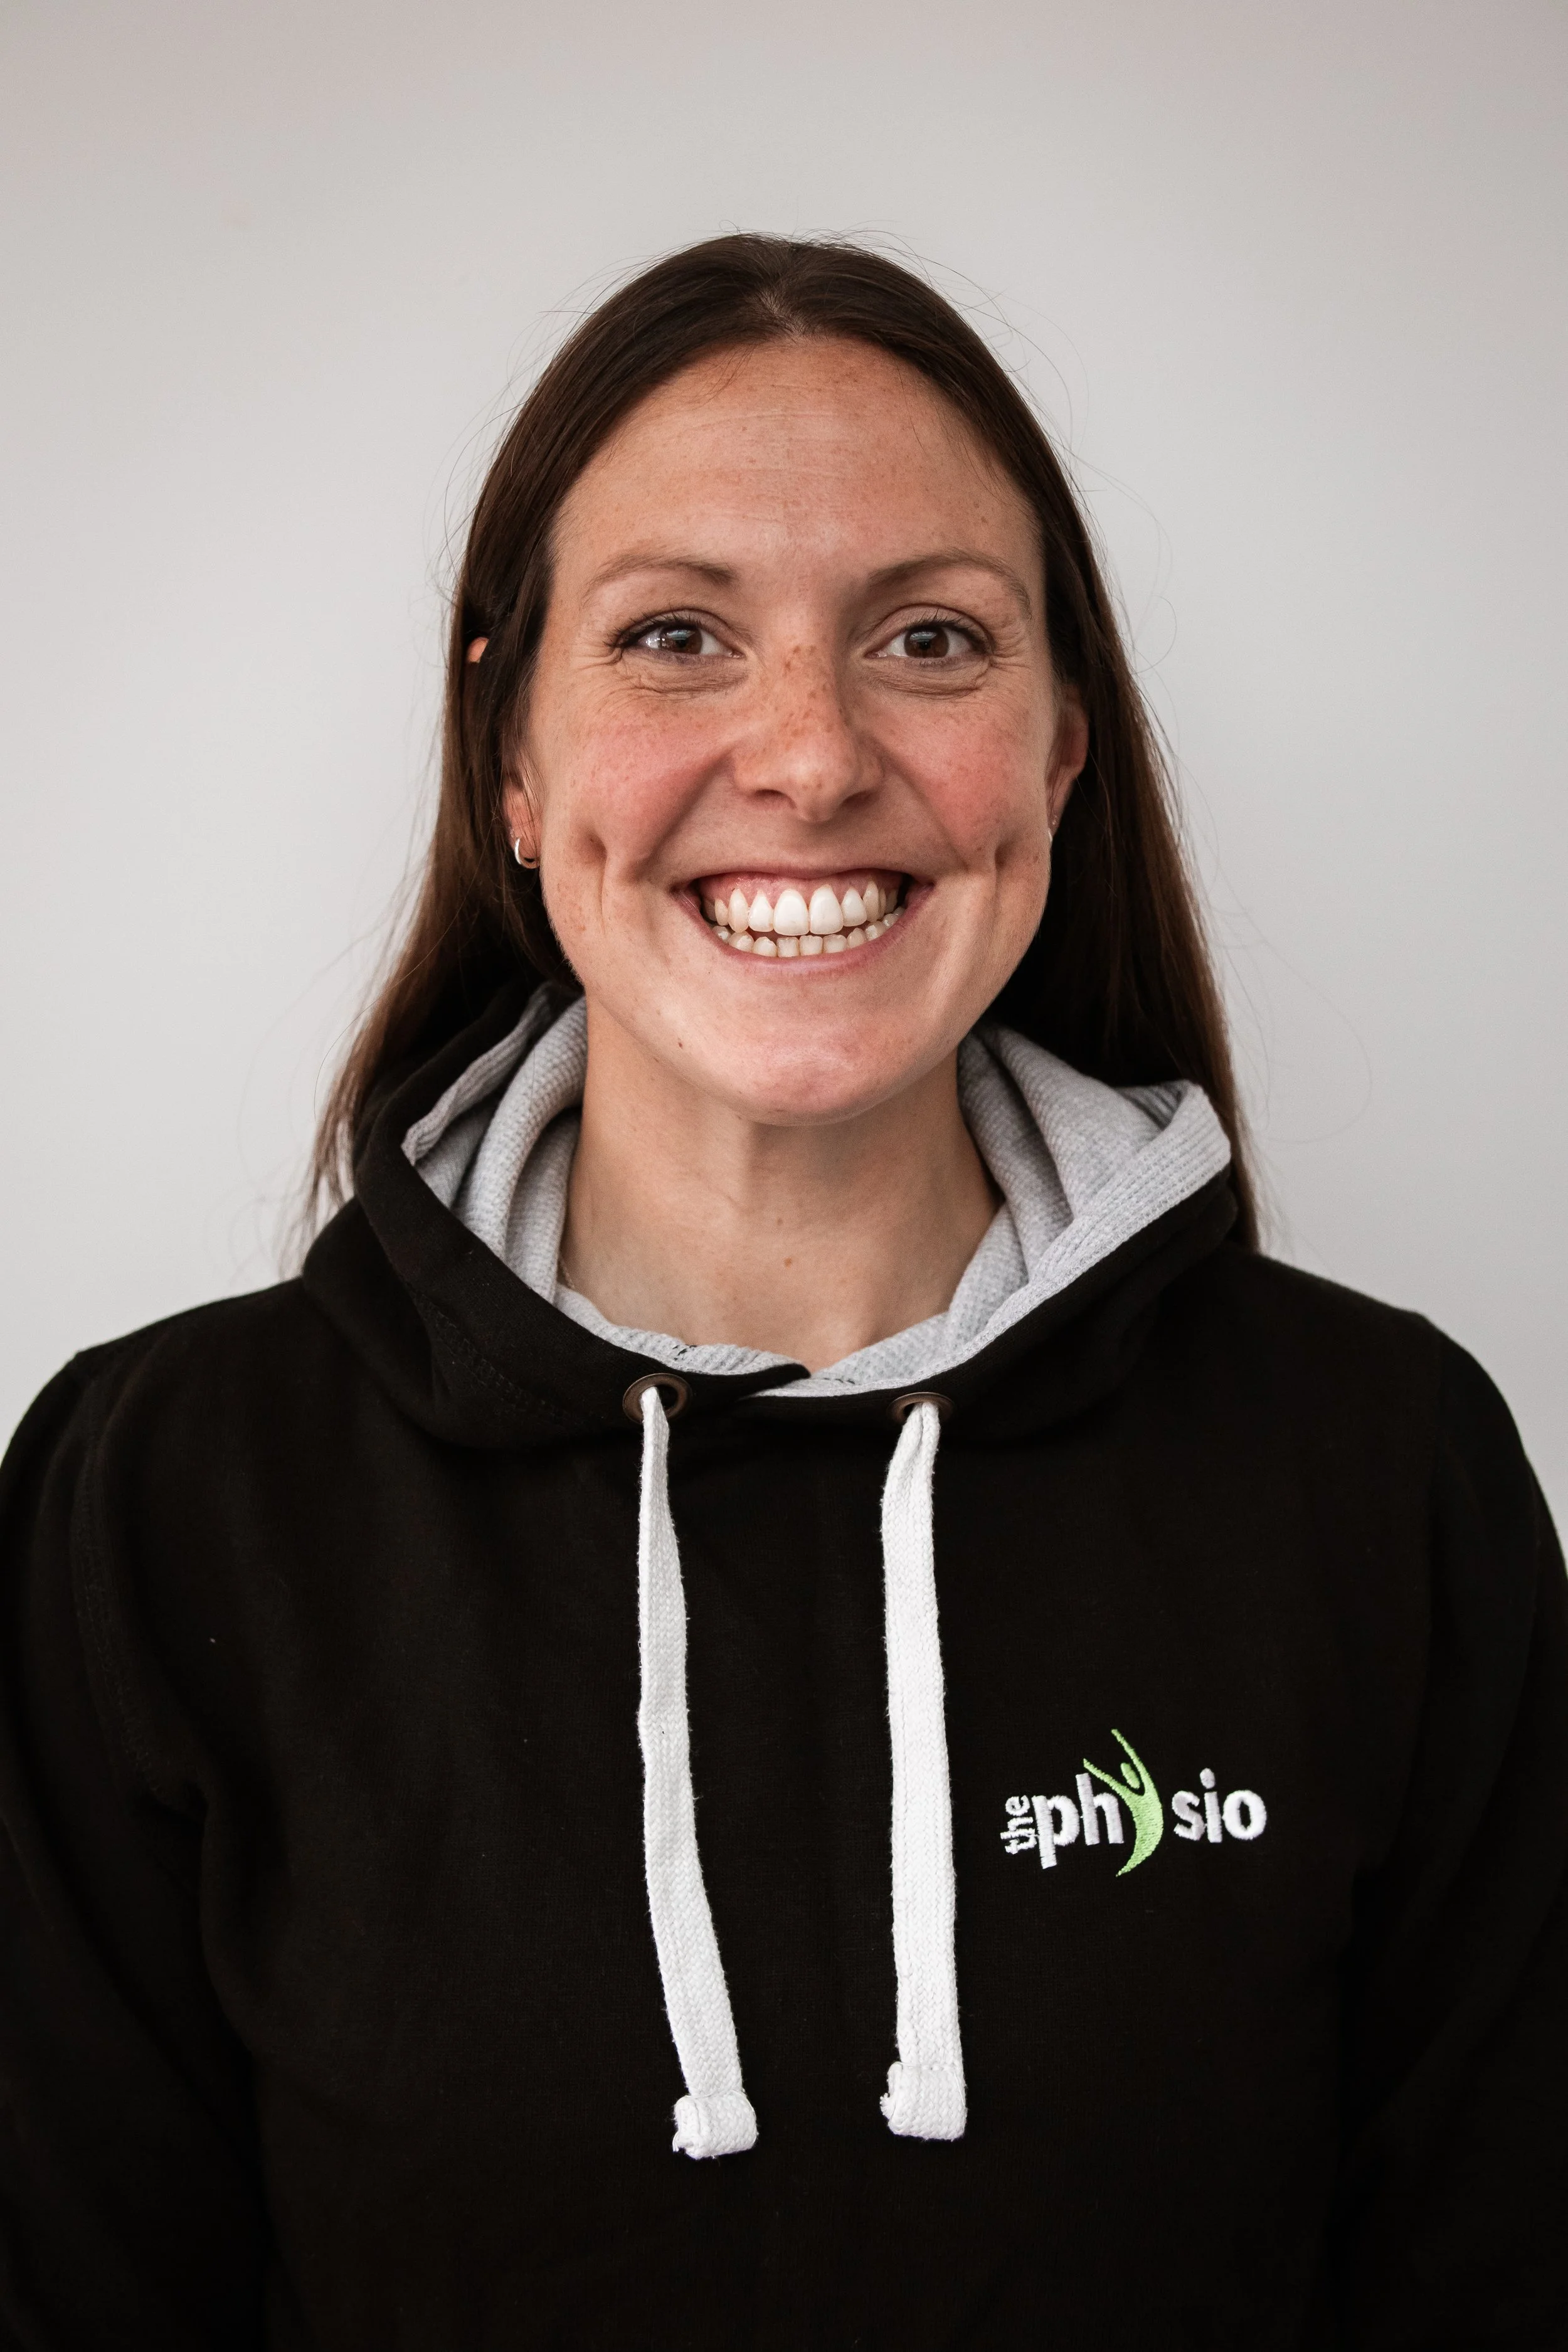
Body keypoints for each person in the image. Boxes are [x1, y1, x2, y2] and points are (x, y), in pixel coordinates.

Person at [1, 235, 1563, 2351]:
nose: (812, 754)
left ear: (1061, 751)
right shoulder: (159, 1499)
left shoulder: (1385, 1474)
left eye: (930, 637)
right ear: (511, 766)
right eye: (673, 637)